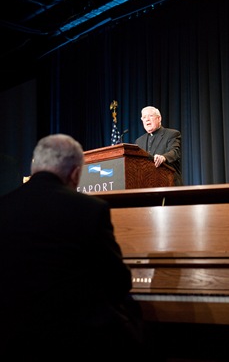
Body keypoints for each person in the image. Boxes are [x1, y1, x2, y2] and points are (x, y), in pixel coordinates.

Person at [0, 134, 144, 361]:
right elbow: (118, 282)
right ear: (76, 173)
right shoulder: (89, 209)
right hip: (73, 343)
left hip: (10, 338)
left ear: (34, 165)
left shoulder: (4, 206)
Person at [135, 106, 183, 186]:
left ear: (159, 118)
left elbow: (175, 152)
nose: (147, 119)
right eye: (144, 117)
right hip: (146, 186)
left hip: (169, 184)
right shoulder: (139, 141)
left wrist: (164, 157)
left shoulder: (172, 134)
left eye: (150, 116)